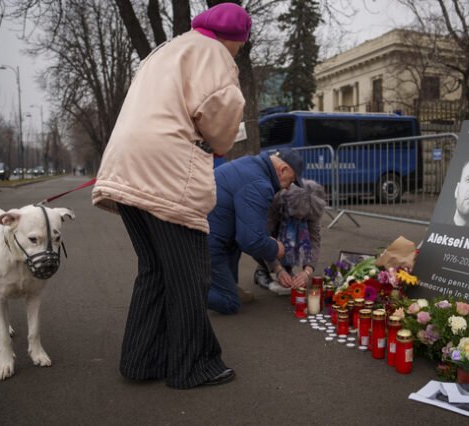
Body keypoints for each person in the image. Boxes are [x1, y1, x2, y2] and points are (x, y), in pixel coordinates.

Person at [91, 3, 251, 389]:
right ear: (237, 40)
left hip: (125, 162)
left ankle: (141, 359)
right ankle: (193, 365)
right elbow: (220, 113)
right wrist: (222, 140)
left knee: (154, 270)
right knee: (190, 275)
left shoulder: (165, 50)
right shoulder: (214, 54)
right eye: (240, 47)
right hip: (166, 169)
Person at [207, 148, 304, 314]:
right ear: (283, 170)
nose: (288, 187)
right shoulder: (260, 185)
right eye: (291, 181)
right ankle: (182, 292)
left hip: (209, 230)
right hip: (206, 240)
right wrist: (276, 249)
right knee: (230, 303)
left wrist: (277, 269)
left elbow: (251, 228)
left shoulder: (251, 165)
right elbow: (250, 240)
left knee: (236, 242)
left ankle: (226, 285)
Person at [253, 178, 326, 294]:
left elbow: (314, 240)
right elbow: (264, 237)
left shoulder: (313, 205)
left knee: (296, 236)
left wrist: (307, 271)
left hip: (288, 230)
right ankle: (263, 270)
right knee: (264, 242)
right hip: (268, 228)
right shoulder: (276, 199)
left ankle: (287, 268)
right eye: (298, 214)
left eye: (304, 216)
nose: (300, 218)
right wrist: (277, 269)